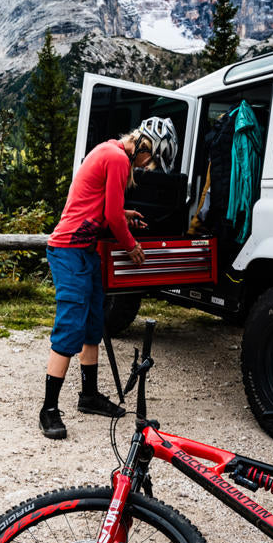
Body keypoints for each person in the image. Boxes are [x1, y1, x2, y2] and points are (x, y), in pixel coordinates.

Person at [39, 116, 179, 439]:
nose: (146, 167)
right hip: (68, 249)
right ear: (146, 147)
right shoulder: (117, 158)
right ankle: (48, 409)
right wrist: (132, 247)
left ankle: (88, 396)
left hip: (84, 250)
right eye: (151, 161)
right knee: (71, 324)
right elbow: (112, 217)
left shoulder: (112, 152)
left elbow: (105, 209)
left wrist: (126, 215)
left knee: (93, 323)